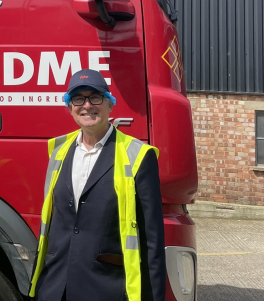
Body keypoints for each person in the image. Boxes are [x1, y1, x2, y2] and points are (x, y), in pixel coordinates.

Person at [30, 69, 166, 301]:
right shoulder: (59, 151)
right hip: (54, 287)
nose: (87, 105)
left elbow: (151, 239)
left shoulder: (139, 155)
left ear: (110, 104)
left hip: (105, 289)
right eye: (78, 99)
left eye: (95, 97)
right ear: (69, 106)